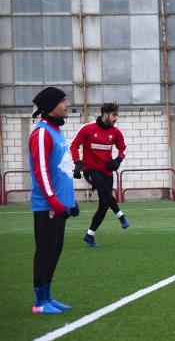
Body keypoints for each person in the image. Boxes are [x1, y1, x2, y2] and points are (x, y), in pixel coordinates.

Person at [29, 87, 79, 314]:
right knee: (46, 250)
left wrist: (71, 201)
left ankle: (47, 296)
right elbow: (41, 171)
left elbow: (63, 170)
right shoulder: (41, 133)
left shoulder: (56, 131)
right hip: (48, 205)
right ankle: (39, 302)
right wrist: (53, 201)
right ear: (50, 106)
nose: (68, 104)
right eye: (63, 100)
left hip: (60, 204)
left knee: (55, 249)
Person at [71, 102, 130, 247]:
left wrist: (118, 160)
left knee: (104, 206)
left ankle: (89, 235)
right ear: (105, 114)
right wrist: (78, 164)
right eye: (114, 115)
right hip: (90, 170)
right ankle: (120, 215)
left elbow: (124, 147)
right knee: (104, 189)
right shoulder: (88, 129)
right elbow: (74, 145)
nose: (116, 118)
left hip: (107, 172)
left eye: (117, 114)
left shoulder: (115, 132)